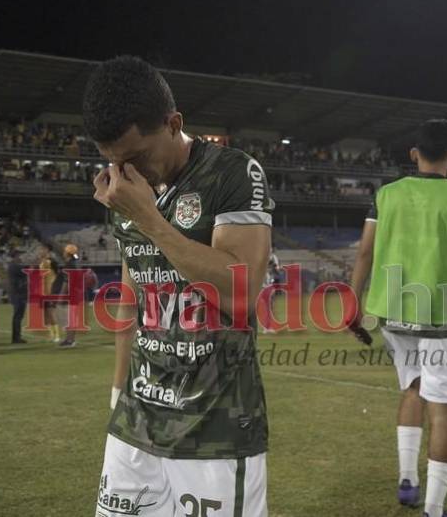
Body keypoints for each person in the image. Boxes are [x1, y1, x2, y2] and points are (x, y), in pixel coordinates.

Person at [87, 56, 289, 516]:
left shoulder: (233, 173)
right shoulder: (127, 189)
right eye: (114, 162)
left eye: (135, 157)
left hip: (214, 425)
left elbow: (240, 294)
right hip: (136, 419)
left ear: (173, 123)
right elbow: (132, 297)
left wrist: (149, 219)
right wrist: (118, 392)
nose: (125, 176)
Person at [349, 118, 447, 517]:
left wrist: (353, 306)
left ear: (414, 154)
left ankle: (408, 479)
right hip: (436, 315)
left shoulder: (386, 194)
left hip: (391, 311)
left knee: (412, 388)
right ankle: (434, 509)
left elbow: (364, 254)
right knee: (442, 407)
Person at [58, 243, 82, 348]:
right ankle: (70, 339)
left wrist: (62, 295)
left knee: (70, 318)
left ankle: (70, 340)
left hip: (71, 293)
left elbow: (66, 281)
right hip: (76, 293)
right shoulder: (75, 263)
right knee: (72, 317)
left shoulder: (69, 264)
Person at [38, 244, 62, 343]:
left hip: (50, 292)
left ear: (47, 250)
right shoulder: (42, 262)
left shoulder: (51, 262)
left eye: (42, 249)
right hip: (42, 292)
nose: (40, 251)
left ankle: (57, 335)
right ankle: (51, 334)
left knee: (51, 313)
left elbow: (58, 275)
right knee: (45, 315)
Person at [6, 249, 28, 344]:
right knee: (18, 316)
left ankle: (17, 337)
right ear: (16, 256)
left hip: (18, 293)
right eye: (20, 255)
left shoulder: (13, 266)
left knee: (18, 316)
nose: (21, 258)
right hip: (18, 294)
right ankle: (16, 338)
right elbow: (27, 271)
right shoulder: (15, 266)